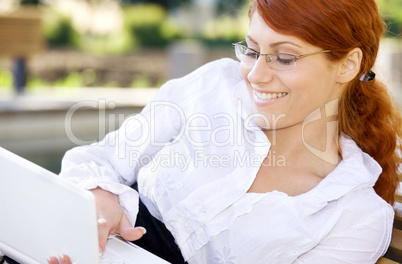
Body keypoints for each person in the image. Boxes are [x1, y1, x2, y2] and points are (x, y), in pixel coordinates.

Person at [46, 0, 402, 263]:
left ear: (348, 65)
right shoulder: (214, 86)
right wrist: (99, 197)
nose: (256, 75)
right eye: (252, 50)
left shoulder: (355, 215)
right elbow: (98, 158)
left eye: (285, 57)